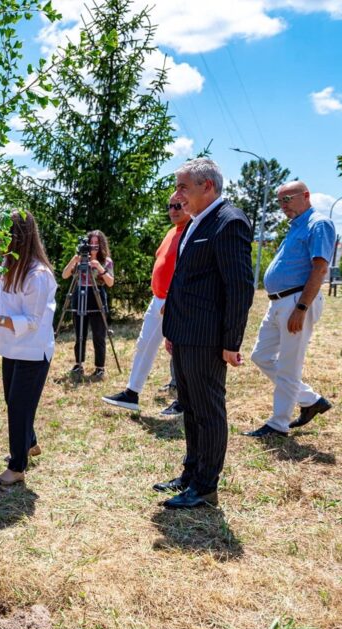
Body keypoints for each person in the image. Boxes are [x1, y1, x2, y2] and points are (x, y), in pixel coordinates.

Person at [159, 158, 254, 509]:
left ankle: (205, 486)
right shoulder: (199, 221)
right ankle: (190, 474)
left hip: (207, 338)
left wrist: (231, 342)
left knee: (208, 411)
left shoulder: (229, 222)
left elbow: (240, 287)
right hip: (186, 334)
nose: (177, 194)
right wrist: (174, 330)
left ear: (207, 187)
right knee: (191, 409)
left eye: (183, 186)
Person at [243, 182, 336, 438]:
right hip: (278, 302)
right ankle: (311, 400)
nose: (283, 205)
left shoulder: (319, 224)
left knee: (288, 366)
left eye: (288, 199)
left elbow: (319, 269)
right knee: (260, 356)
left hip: (296, 302)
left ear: (306, 196)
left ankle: (278, 424)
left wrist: (302, 307)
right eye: (280, 201)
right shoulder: (296, 226)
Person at [0, 211, 57, 485]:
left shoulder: (38, 274)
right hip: (11, 347)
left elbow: (33, 322)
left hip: (33, 350)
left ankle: (17, 466)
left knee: (19, 406)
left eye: (4, 233)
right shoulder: (6, 263)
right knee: (14, 401)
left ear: (18, 236)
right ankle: (29, 442)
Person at [102, 197, 189, 415]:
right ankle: (132, 393)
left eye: (178, 205)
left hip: (175, 300)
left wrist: (172, 299)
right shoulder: (172, 231)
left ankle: (185, 401)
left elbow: (187, 272)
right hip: (158, 298)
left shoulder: (191, 232)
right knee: (144, 344)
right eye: (170, 206)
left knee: (181, 351)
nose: (173, 210)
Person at [61, 230, 115, 380]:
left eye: (97, 244)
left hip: (97, 294)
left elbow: (110, 283)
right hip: (80, 293)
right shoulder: (80, 260)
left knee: (99, 334)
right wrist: (74, 261)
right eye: (91, 243)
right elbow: (65, 275)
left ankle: (100, 367)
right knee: (80, 333)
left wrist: (99, 267)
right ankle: (78, 363)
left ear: (101, 245)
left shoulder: (106, 261)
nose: (93, 246)